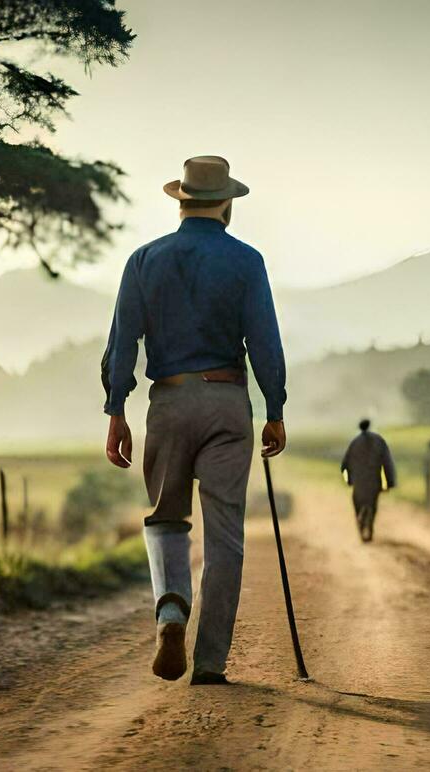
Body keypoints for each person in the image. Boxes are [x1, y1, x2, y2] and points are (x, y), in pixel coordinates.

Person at [102, 155, 287, 686]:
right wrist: (275, 409)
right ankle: (210, 662)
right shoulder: (247, 261)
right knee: (226, 535)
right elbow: (264, 343)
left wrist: (116, 409)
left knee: (165, 518)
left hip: (169, 401)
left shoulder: (144, 261)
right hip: (228, 402)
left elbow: (123, 343)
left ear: (180, 201)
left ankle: (170, 614)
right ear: (226, 203)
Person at [341, 418, 396, 542]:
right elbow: (387, 463)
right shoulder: (379, 441)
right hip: (373, 482)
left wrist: (349, 479)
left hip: (359, 483)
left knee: (358, 505)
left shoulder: (354, 443)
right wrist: (390, 481)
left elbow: (344, 465)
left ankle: (361, 524)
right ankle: (369, 525)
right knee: (372, 505)